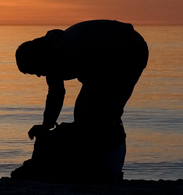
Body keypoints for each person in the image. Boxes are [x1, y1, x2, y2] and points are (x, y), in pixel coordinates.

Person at [12, 19, 148, 182]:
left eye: (35, 71)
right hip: (108, 55)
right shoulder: (52, 53)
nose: (39, 75)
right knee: (88, 115)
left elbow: (97, 85)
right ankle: (95, 163)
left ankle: (104, 168)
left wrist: (97, 115)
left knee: (103, 114)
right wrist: (47, 124)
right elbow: (56, 93)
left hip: (128, 51)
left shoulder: (68, 51)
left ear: (38, 59)